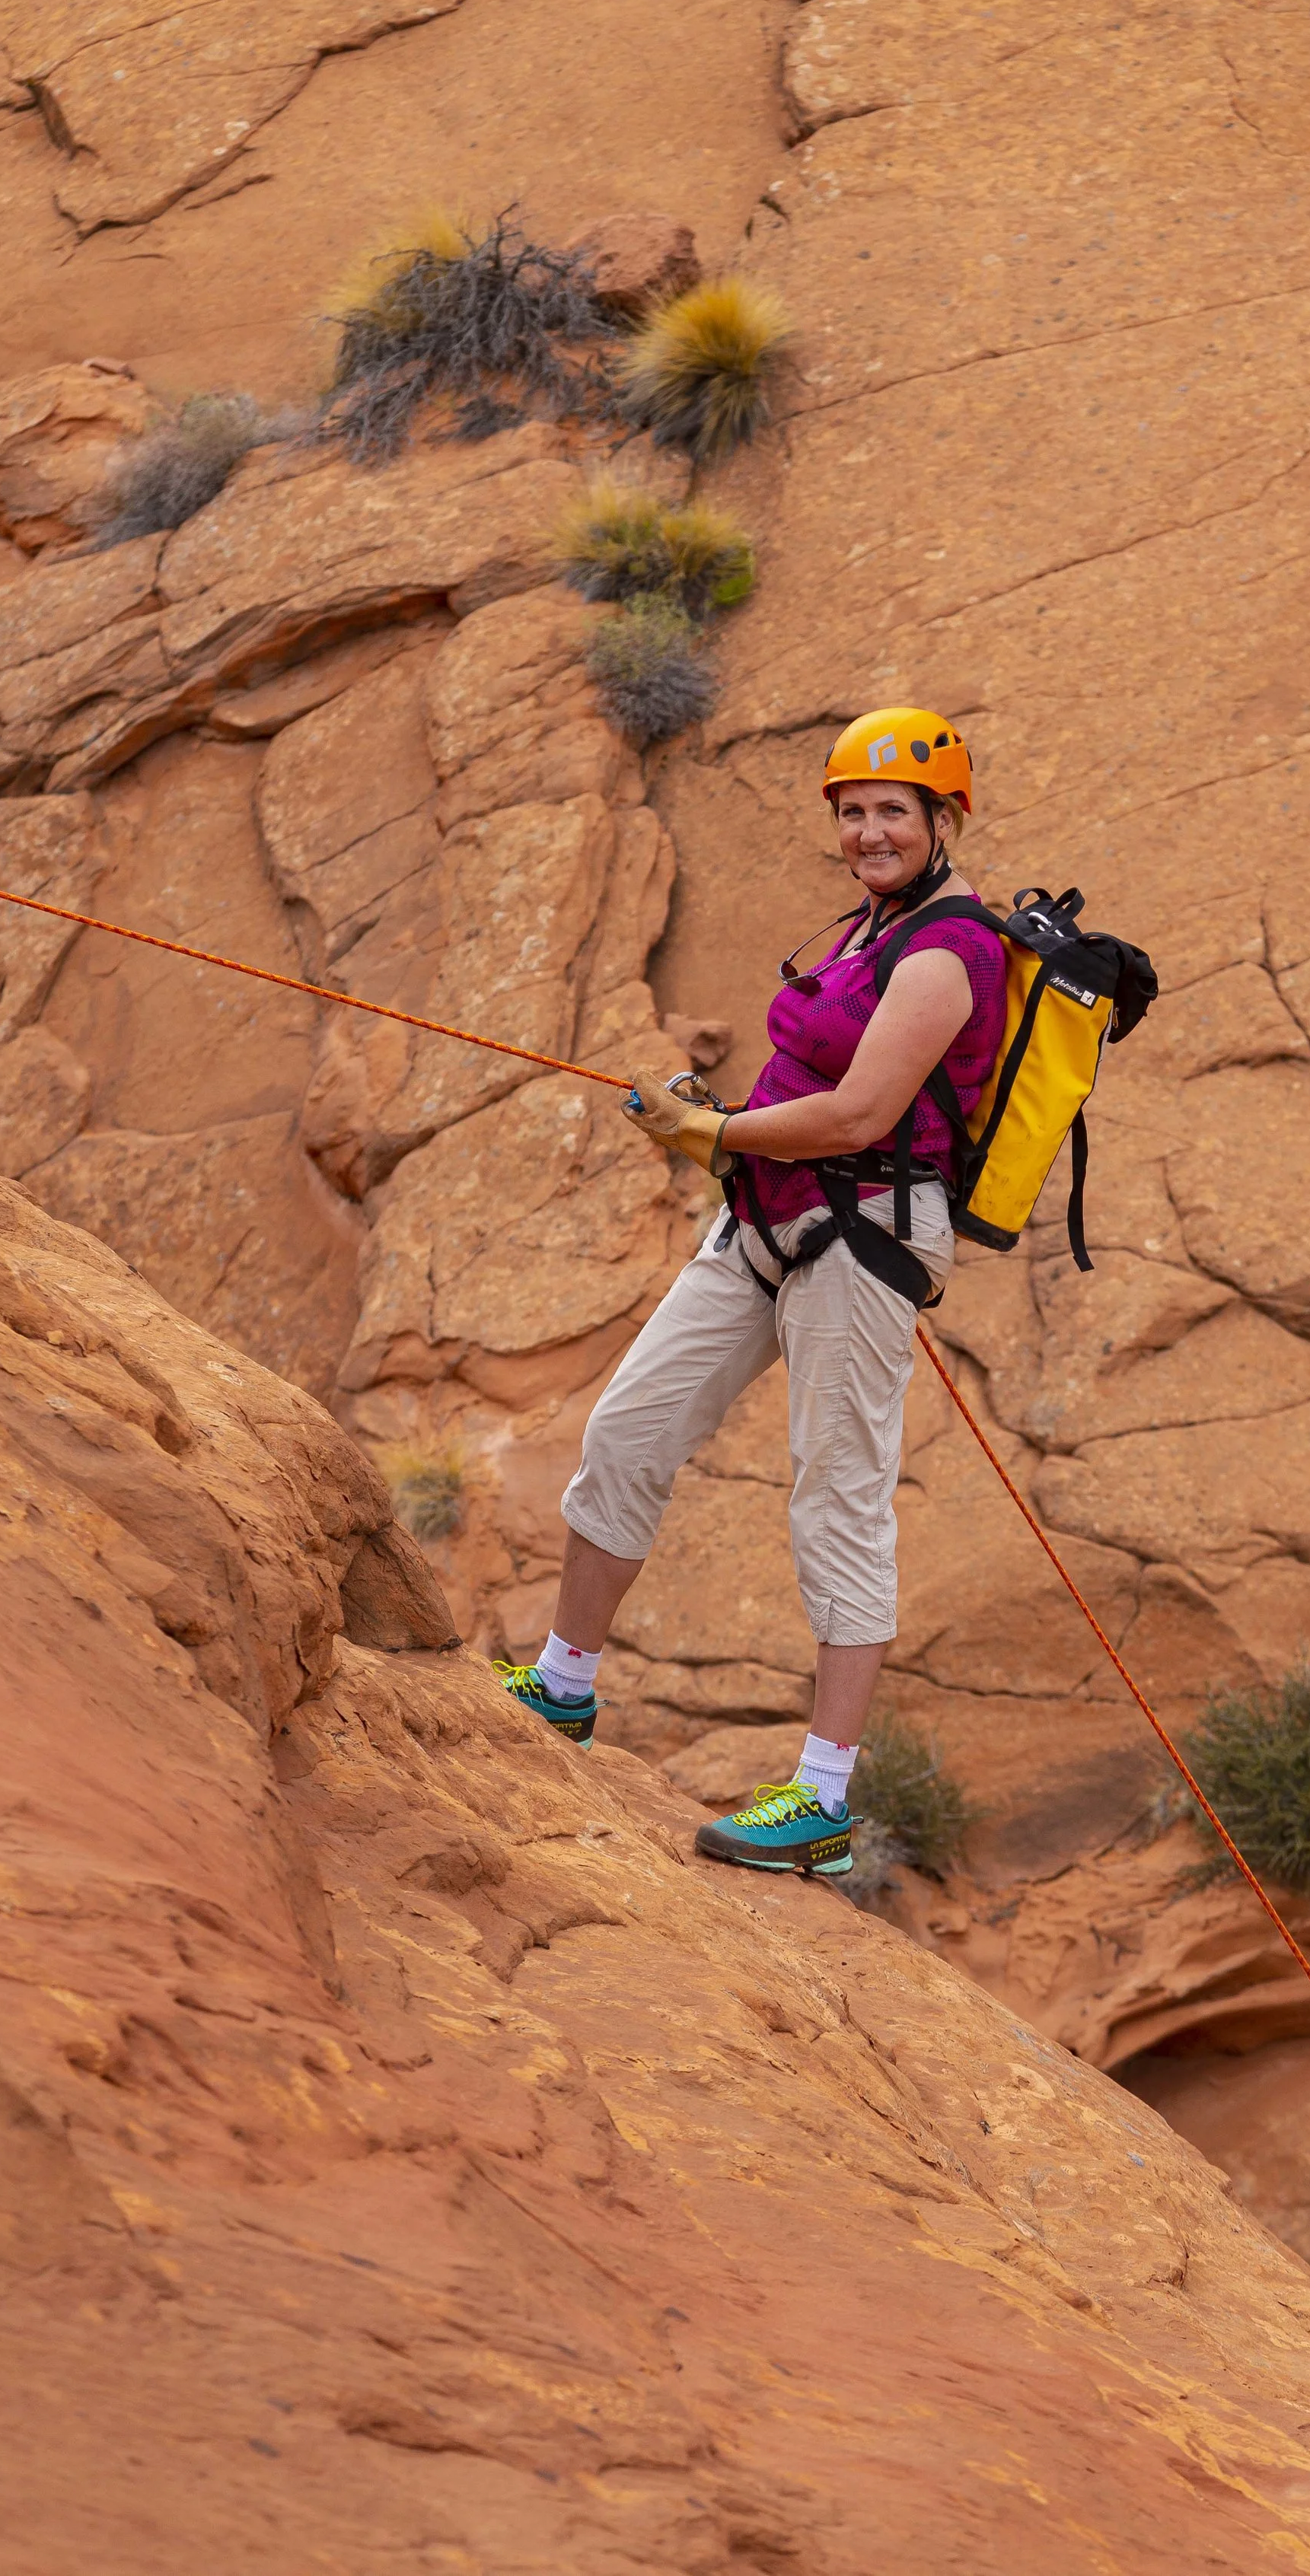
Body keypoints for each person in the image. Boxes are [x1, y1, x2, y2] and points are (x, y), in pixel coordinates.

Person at [499, 708, 1008, 1875]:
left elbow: (865, 1112)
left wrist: (713, 1125)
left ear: (944, 820)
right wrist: (716, 1132)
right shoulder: (865, 926)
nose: (870, 831)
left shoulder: (950, 950)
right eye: (853, 811)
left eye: (893, 811)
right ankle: (565, 1684)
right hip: (767, 1214)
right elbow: (809, 1083)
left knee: (837, 1496)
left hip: (866, 1236)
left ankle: (823, 1800)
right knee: (629, 1426)